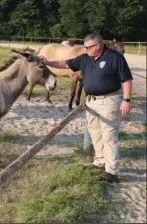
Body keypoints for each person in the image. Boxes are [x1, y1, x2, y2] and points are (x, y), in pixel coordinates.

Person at [39, 32, 133, 183]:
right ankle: (100, 161)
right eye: (84, 46)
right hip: (91, 102)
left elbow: (126, 79)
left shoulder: (115, 57)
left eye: (88, 47)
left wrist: (126, 100)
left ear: (98, 46)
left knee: (109, 136)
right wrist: (48, 62)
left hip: (109, 101)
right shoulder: (85, 58)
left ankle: (112, 171)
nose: (85, 49)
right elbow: (65, 63)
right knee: (95, 133)